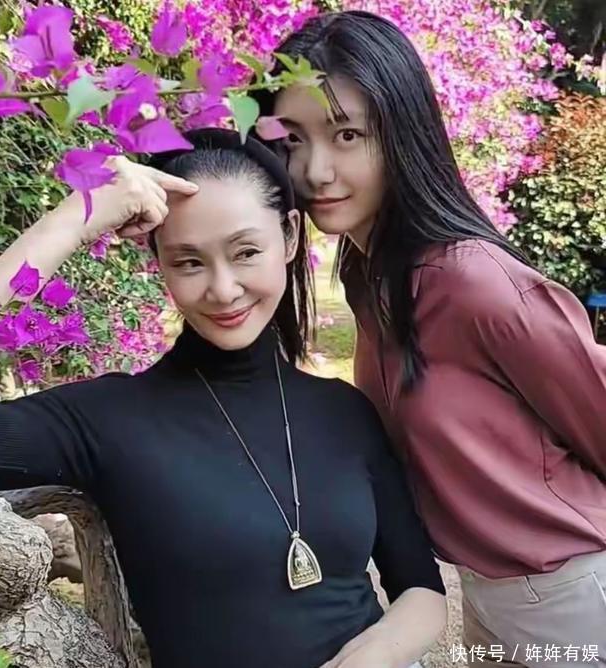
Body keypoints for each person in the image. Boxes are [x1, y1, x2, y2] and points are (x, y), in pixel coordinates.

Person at [0, 128, 446, 668]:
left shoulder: (344, 411)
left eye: (246, 252)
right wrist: (75, 218)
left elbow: (421, 589)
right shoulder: (108, 420)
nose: (223, 289)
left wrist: (375, 655)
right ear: (160, 261)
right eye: (189, 262)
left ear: (290, 237)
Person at [256, 10, 606, 667]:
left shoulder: (475, 283)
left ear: (402, 132)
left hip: (573, 592)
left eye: (347, 134)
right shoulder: (369, 277)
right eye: (293, 139)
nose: (315, 170)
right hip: (487, 589)